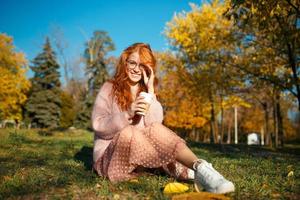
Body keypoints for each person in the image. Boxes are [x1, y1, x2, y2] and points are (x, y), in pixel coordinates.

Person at [92, 43, 235, 194]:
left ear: (148, 69)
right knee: (128, 132)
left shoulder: (145, 91)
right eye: (132, 63)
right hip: (110, 158)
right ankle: (184, 169)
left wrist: (151, 90)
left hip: (141, 155)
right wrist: (127, 112)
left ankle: (201, 168)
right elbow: (98, 125)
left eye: (142, 65)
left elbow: (155, 124)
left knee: (155, 129)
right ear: (125, 62)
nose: (136, 69)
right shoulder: (109, 88)